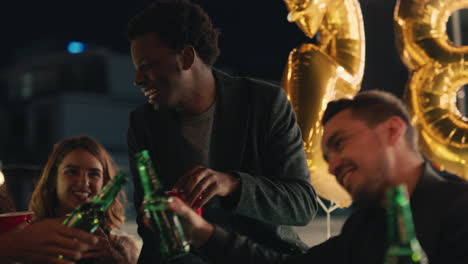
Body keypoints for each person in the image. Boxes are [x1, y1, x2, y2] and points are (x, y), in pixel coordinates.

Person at [167, 90, 468, 264]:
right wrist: (202, 233)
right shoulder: (363, 228)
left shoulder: (460, 209)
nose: (333, 165)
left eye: (339, 144)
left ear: (392, 130)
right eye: (327, 158)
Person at [126, 0, 317, 262]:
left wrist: (232, 185)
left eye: (146, 65)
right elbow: (145, 218)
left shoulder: (263, 103)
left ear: (186, 57)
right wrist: (153, 217)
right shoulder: (143, 122)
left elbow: (302, 205)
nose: (137, 79)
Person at [29, 136, 140, 264]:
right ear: (54, 179)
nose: (84, 182)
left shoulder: (121, 251)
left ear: (105, 184)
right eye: (72, 172)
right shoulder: (31, 243)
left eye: (93, 174)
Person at [0, 217, 98, 264]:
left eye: (94, 175)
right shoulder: (34, 234)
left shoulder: (107, 236)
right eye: (72, 174)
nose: (84, 182)